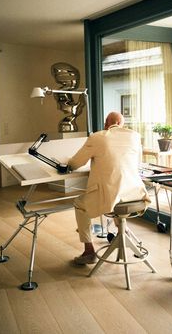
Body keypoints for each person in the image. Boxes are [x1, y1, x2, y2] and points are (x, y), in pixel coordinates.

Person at [68, 111, 150, 265]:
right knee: (119, 195)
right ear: (122, 124)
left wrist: (69, 163)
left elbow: (74, 163)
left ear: (106, 124)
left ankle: (89, 250)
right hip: (137, 197)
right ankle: (122, 233)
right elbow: (136, 164)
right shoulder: (134, 136)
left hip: (111, 199)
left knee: (79, 203)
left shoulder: (98, 137)